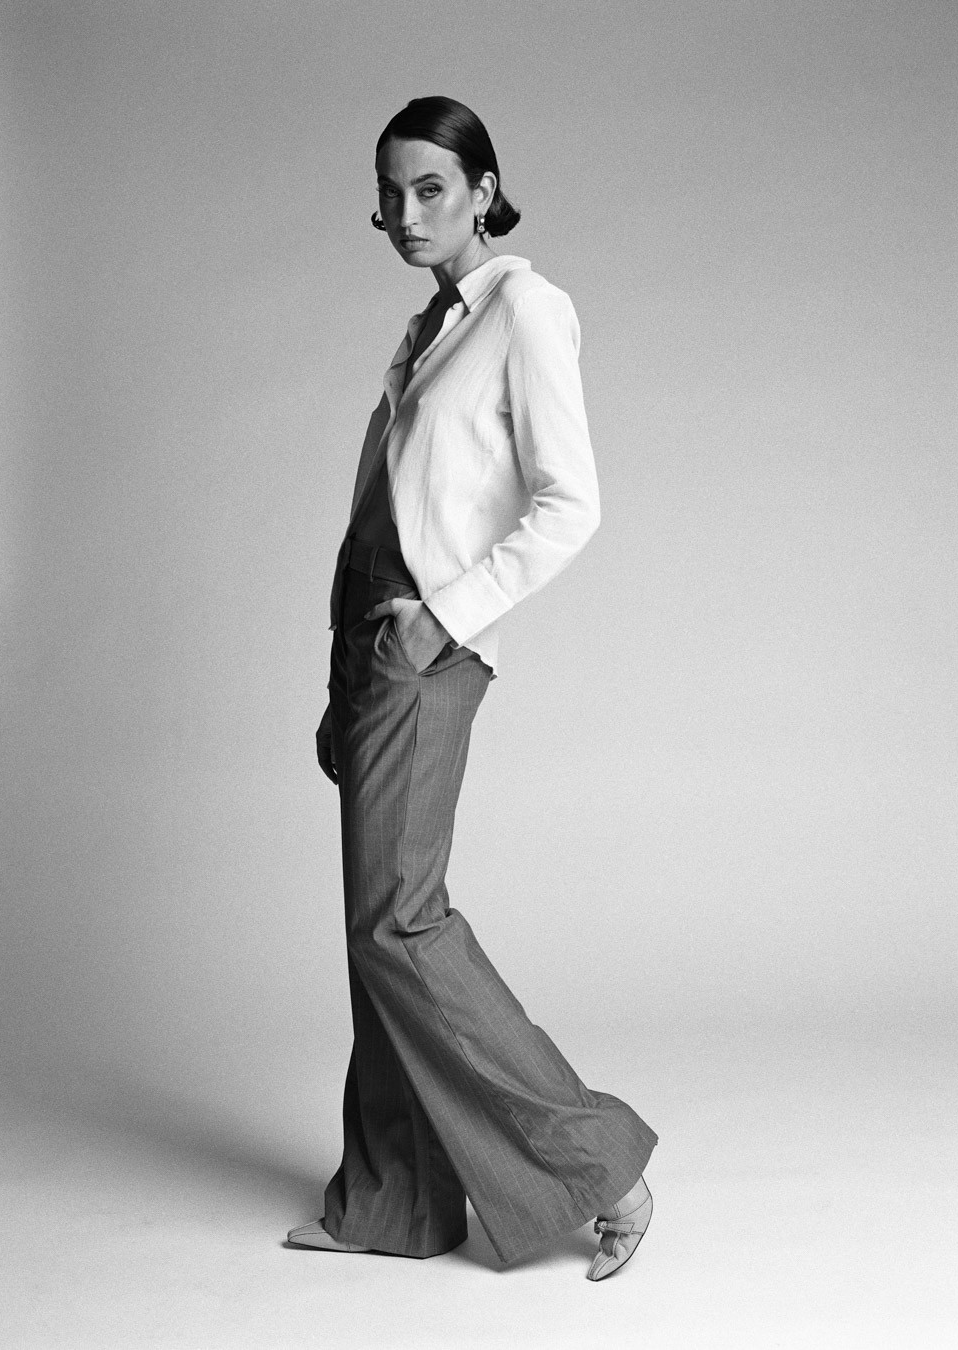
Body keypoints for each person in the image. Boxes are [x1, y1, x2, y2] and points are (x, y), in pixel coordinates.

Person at [287, 96, 657, 1281]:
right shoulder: (429, 328)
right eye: (390, 193)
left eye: (432, 188)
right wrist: (340, 673)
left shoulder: (524, 311)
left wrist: (438, 620)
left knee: (401, 923)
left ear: (486, 192)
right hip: (369, 638)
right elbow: (386, 507)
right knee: (374, 933)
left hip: (426, 642)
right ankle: (395, 1200)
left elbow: (571, 503)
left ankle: (600, 1165)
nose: (406, 213)